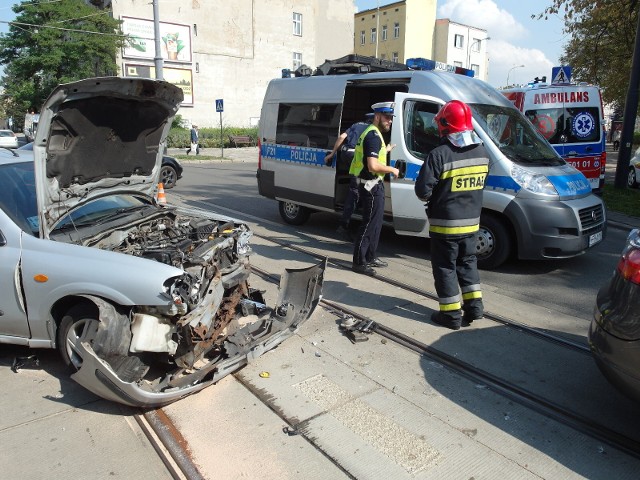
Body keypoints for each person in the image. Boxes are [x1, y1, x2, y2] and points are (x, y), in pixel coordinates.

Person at [415, 100, 490, 330]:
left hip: (445, 227)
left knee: (445, 268)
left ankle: (450, 316)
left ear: (446, 125)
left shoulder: (439, 155)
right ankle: (474, 308)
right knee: (468, 264)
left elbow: (422, 191)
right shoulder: (483, 152)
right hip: (471, 226)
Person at [350, 102, 400, 276]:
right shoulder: (373, 135)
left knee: (376, 223)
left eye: (391, 118)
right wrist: (392, 169)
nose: (390, 121)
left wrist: (385, 150)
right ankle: (359, 262)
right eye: (387, 117)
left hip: (374, 185)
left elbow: (373, 155)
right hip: (370, 185)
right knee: (369, 223)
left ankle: (370, 256)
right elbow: (372, 165)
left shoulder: (375, 134)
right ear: (377, 116)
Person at [324, 113, 375, 241]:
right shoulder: (372, 130)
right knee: (357, 190)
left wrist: (332, 153)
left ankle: (357, 205)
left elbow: (342, 137)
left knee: (358, 187)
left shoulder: (356, 125)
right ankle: (344, 225)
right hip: (356, 158)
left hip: (346, 154)